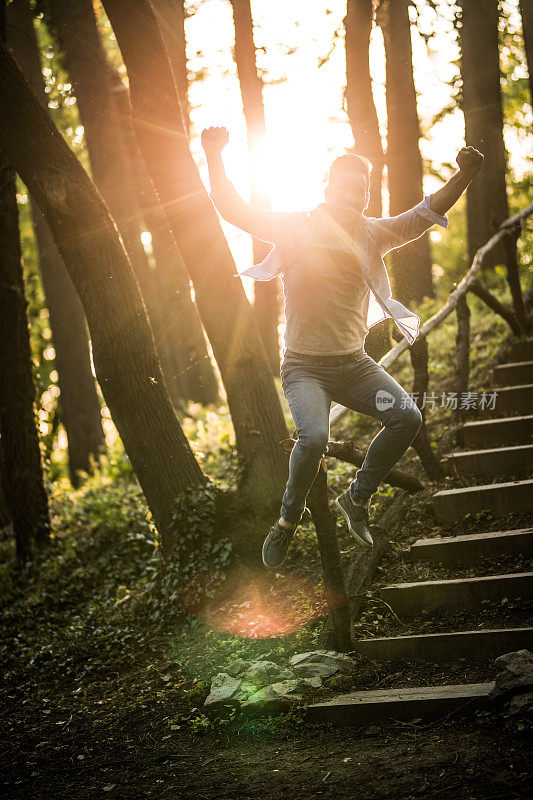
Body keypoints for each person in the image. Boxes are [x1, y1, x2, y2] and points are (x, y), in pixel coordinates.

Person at [201, 126, 484, 569]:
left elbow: (424, 212)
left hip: (354, 366)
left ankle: (356, 499)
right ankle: (288, 520)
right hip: (304, 369)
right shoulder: (294, 225)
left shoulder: (375, 233)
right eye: (347, 188)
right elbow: (234, 209)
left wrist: (464, 176)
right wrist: (213, 154)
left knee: (407, 416)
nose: (355, 197)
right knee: (313, 437)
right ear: (328, 188)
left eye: (363, 191)